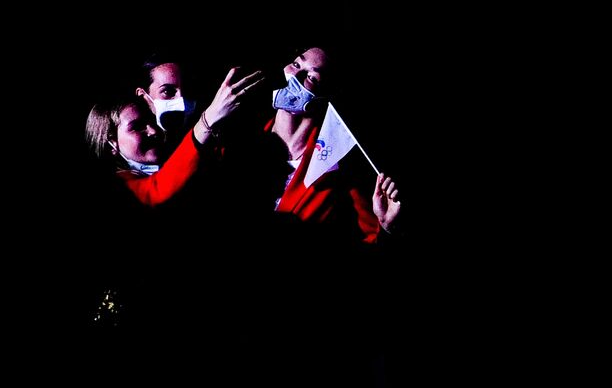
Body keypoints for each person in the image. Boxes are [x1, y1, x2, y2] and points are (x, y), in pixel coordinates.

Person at [263, 46, 401, 245]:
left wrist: (387, 226)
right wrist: (212, 122)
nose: (295, 76)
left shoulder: (336, 164)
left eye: (312, 77)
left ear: (325, 96)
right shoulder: (243, 138)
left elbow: (371, 239)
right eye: (296, 64)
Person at [84, 66, 263, 207]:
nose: (153, 131)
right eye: (137, 127)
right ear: (111, 143)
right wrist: (208, 119)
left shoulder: (174, 157)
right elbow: (156, 191)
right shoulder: (114, 186)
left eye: (151, 121)